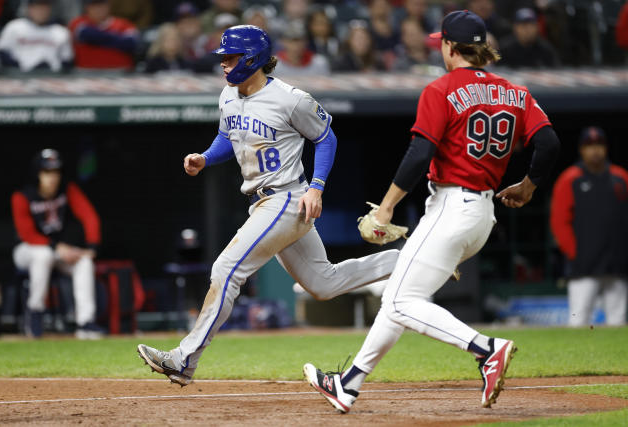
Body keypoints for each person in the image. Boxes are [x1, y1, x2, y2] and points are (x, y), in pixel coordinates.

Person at [304, 10, 560, 413]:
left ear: (450, 47)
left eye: (442, 42)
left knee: (402, 299)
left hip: (451, 207)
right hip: (482, 215)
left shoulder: (441, 89)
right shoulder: (516, 92)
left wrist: (386, 207)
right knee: (399, 299)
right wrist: (528, 185)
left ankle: (485, 349)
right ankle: (348, 384)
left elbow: (419, 153)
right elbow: (548, 143)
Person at [137, 25, 399, 386]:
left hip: (287, 197)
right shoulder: (228, 95)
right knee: (324, 283)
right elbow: (228, 136)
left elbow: (326, 138)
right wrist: (206, 158)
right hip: (262, 201)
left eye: (230, 58)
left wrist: (317, 188)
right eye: (223, 58)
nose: (224, 65)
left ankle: (184, 359)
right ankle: (410, 259)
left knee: (226, 270)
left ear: (254, 59)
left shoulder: (291, 98)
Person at [11, 149, 103, 339]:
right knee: (42, 255)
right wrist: (57, 247)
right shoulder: (22, 196)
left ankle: (85, 323)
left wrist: (92, 246)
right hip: (26, 249)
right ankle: (35, 312)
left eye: (55, 173)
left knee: (84, 262)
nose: (52, 178)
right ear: (37, 174)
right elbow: (27, 234)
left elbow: (89, 216)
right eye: (46, 173)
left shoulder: (66, 190)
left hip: (55, 248)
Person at [550, 127, 628, 327]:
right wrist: (575, 254)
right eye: (590, 146)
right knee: (579, 319)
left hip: (616, 263)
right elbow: (559, 222)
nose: (595, 150)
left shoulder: (621, 177)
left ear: (606, 148)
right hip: (583, 265)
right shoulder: (570, 179)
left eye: (599, 145)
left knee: (617, 321)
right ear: (581, 150)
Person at [0, 0, 73, 72]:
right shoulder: (15, 26)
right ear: (29, 9)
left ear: (50, 9)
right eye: (37, 8)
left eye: (44, 8)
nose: (41, 11)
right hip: (20, 76)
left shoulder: (60, 31)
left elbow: (67, 60)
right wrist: (17, 68)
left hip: (53, 77)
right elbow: (2, 51)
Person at [68, 0, 139, 70]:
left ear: (108, 6)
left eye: (101, 5)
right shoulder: (78, 23)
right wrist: (117, 38)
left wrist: (98, 38)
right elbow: (87, 34)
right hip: (85, 74)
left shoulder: (124, 24)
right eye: (94, 6)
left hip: (122, 73)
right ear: (87, 7)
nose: (98, 9)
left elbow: (131, 44)